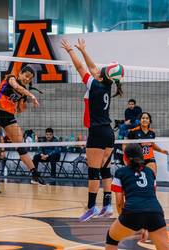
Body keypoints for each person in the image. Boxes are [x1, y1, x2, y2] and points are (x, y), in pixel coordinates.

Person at [61, 38, 122, 221]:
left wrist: (71, 51)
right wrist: (83, 50)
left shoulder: (94, 85)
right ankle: (108, 206)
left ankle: (91, 207)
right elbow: (93, 67)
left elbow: (81, 68)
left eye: (98, 71)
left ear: (100, 76)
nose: (95, 70)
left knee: (93, 171)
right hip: (109, 133)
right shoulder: (108, 84)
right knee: (105, 170)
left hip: (96, 132)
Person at [106, 143, 169, 250]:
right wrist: (145, 226)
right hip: (155, 212)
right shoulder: (150, 172)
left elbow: (119, 202)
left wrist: (123, 219)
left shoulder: (120, 173)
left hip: (132, 212)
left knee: (112, 238)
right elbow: (152, 195)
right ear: (142, 157)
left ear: (125, 157)